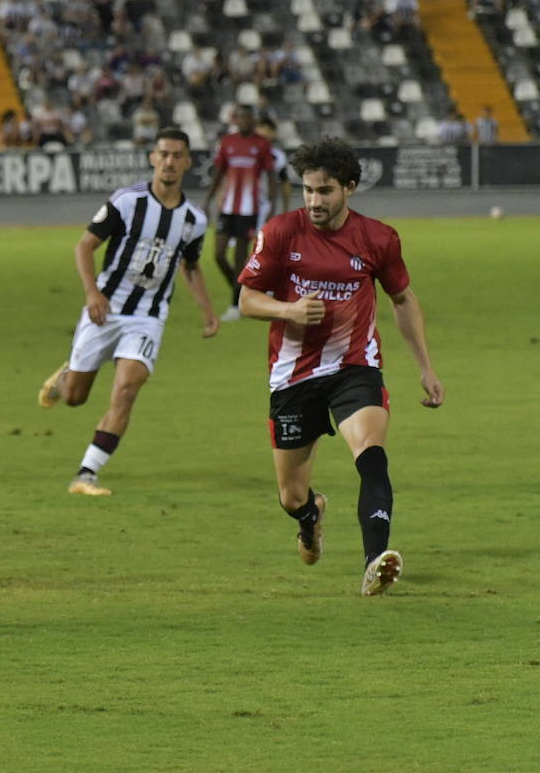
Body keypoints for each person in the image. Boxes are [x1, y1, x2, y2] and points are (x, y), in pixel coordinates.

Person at [237, 138, 444, 596]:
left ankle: (375, 562)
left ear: (349, 188)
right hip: (294, 376)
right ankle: (310, 517)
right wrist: (288, 311)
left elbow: (403, 300)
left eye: (324, 191)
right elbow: (246, 299)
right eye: (308, 190)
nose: (313, 201)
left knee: (370, 453)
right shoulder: (280, 232)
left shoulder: (378, 238)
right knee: (291, 496)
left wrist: (425, 367)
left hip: (356, 368)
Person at [38, 128, 219, 496]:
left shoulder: (194, 219)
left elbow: (191, 265)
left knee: (126, 389)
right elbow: (84, 247)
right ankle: (63, 379)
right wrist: (92, 293)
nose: (169, 162)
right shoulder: (126, 202)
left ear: (187, 162)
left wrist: (207, 310)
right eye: (163, 154)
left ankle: (86, 473)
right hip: (105, 308)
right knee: (75, 397)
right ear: (153, 158)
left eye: (176, 155)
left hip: (147, 318)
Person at [205, 104, 275, 322]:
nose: (245, 121)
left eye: (248, 118)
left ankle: (236, 305)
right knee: (218, 254)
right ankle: (242, 289)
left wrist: (272, 204)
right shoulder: (227, 142)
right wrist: (207, 201)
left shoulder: (262, 144)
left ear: (253, 120)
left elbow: (271, 176)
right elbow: (218, 173)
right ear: (237, 120)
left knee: (239, 257)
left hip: (249, 210)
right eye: (241, 118)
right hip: (226, 208)